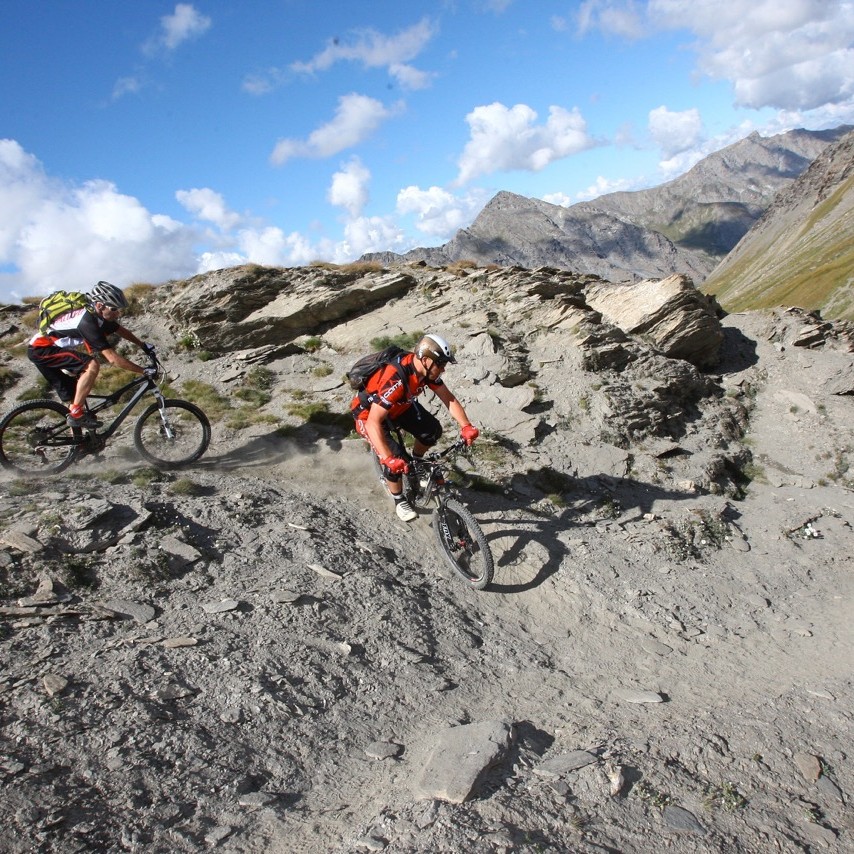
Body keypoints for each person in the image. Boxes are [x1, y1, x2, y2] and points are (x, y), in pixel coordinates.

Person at [351, 333, 479, 522]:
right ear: (426, 360)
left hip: (400, 407)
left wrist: (466, 426)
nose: (443, 370)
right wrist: (387, 458)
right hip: (369, 416)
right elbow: (373, 422)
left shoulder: (425, 372)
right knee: (395, 461)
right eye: (441, 364)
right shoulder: (396, 378)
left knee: (432, 432)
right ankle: (399, 500)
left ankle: (417, 462)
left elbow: (448, 398)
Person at [27, 281, 155, 429]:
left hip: (47, 349)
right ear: (100, 305)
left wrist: (143, 345)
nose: (117, 313)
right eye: (114, 309)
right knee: (92, 364)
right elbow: (112, 359)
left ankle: (78, 445)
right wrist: (143, 371)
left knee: (75, 398)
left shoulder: (97, 316)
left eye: (118, 309)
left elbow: (120, 330)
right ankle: (76, 414)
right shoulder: (87, 322)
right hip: (41, 349)